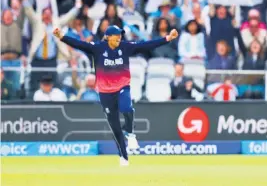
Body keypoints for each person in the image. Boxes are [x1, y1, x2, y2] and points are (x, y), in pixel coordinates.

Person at [53, 25, 178, 166]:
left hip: (122, 87)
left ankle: (130, 134)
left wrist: (167, 38)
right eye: (117, 35)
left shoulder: (125, 47)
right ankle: (123, 157)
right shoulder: (98, 48)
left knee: (126, 108)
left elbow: (146, 45)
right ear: (108, 36)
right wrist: (62, 36)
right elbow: (79, 44)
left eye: (120, 35)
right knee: (115, 126)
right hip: (105, 92)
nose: (119, 37)